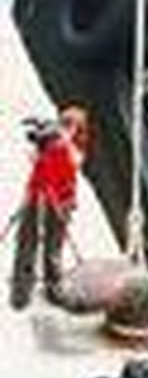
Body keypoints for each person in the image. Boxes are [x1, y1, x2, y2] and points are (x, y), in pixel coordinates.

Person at [10, 106, 86, 309]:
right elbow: (41, 168)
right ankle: (21, 292)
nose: (65, 130)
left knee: (52, 246)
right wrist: (40, 153)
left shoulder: (72, 149)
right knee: (27, 240)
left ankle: (52, 287)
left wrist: (54, 151)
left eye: (71, 127)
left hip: (60, 201)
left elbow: (73, 164)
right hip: (38, 194)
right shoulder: (54, 144)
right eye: (64, 124)